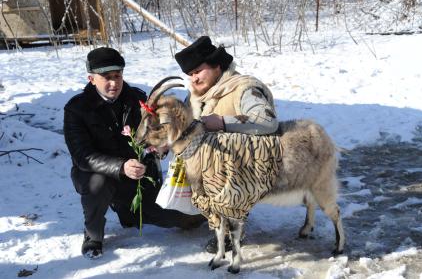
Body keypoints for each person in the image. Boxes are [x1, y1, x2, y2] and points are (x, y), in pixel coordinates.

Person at [64, 47, 204, 259]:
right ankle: (93, 235)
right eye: (106, 77)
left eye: (117, 76)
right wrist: (121, 167)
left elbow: (155, 133)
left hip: (139, 178)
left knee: (178, 218)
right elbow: (83, 156)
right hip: (101, 175)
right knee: (97, 184)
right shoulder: (77, 108)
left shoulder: (138, 99)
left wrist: (161, 147)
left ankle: (212, 213)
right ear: (91, 78)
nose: (114, 83)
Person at [174, 36, 279, 253]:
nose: (193, 79)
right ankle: (210, 213)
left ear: (216, 65)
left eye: (197, 72)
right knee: (182, 219)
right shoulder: (196, 96)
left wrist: (222, 122)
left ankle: (233, 226)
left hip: (244, 167)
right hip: (205, 168)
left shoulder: (244, 88)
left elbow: (267, 122)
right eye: (190, 75)